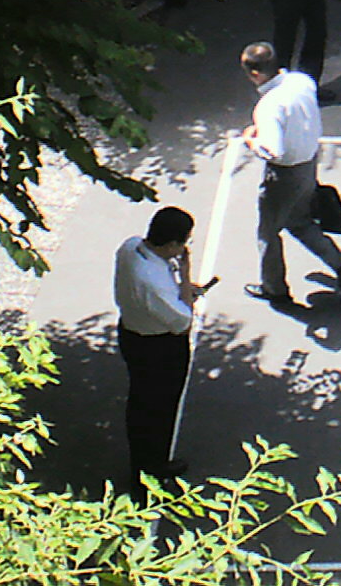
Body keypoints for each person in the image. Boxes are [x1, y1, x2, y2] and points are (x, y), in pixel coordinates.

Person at [240, 41, 341, 307]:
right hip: (308, 162)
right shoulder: (301, 80)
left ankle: (275, 289)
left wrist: (251, 140)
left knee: (268, 233)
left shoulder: (268, 107)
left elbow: (273, 151)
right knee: (300, 222)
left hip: (284, 176)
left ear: (256, 74)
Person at [113, 205, 208, 494]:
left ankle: (144, 464)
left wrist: (180, 288)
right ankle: (151, 468)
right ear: (172, 244)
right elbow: (183, 322)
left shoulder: (130, 248)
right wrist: (186, 281)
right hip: (161, 347)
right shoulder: (153, 284)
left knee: (140, 402)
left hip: (131, 332)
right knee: (160, 409)